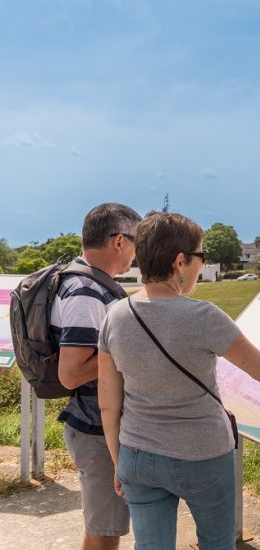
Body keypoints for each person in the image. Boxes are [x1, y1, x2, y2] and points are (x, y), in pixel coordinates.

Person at [97, 212, 260, 550]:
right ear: (181, 261)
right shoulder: (203, 316)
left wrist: (119, 461)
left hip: (137, 454)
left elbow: (108, 402)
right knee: (218, 543)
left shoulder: (114, 316)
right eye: (201, 257)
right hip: (203, 454)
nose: (201, 265)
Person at [55, 202, 141, 550]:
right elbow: (71, 373)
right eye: (137, 243)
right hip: (95, 429)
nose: (137, 255)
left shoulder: (91, 283)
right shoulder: (86, 290)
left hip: (94, 424)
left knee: (105, 527)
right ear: (119, 241)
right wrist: (123, 345)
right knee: (105, 534)